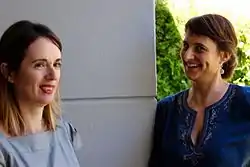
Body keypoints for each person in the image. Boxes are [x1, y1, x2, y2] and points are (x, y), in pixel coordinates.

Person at [148, 14, 250, 167]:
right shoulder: (166, 110)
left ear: (224, 55)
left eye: (200, 48)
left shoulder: (245, 103)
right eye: (186, 46)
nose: (187, 56)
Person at [0, 20, 82, 167]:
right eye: (40, 65)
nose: (52, 75)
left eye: (57, 64)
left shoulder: (64, 132)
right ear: (9, 72)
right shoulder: (3, 147)